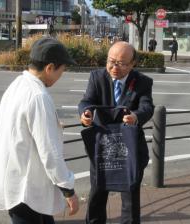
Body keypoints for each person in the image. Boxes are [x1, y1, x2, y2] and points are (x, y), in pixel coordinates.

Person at [0, 37, 79, 224]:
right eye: (62, 70)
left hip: (14, 179)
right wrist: (68, 190)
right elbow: (50, 151)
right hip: (26, 188)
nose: (62, 75)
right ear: (50, 68)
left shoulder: (17, 84)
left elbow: (6, 130)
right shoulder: (38, 96)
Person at [78, 41, 154, 224]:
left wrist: (136, 116)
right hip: (103, 148)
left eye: (121, 63)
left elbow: (147, 106)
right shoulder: (97, 77)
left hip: (129, 148)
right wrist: (85, 113)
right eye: (111, 61)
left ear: (133, 63)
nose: (114, 67)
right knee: (97, 192)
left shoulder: (142, 81)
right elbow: (86, 100)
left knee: (130, 195)